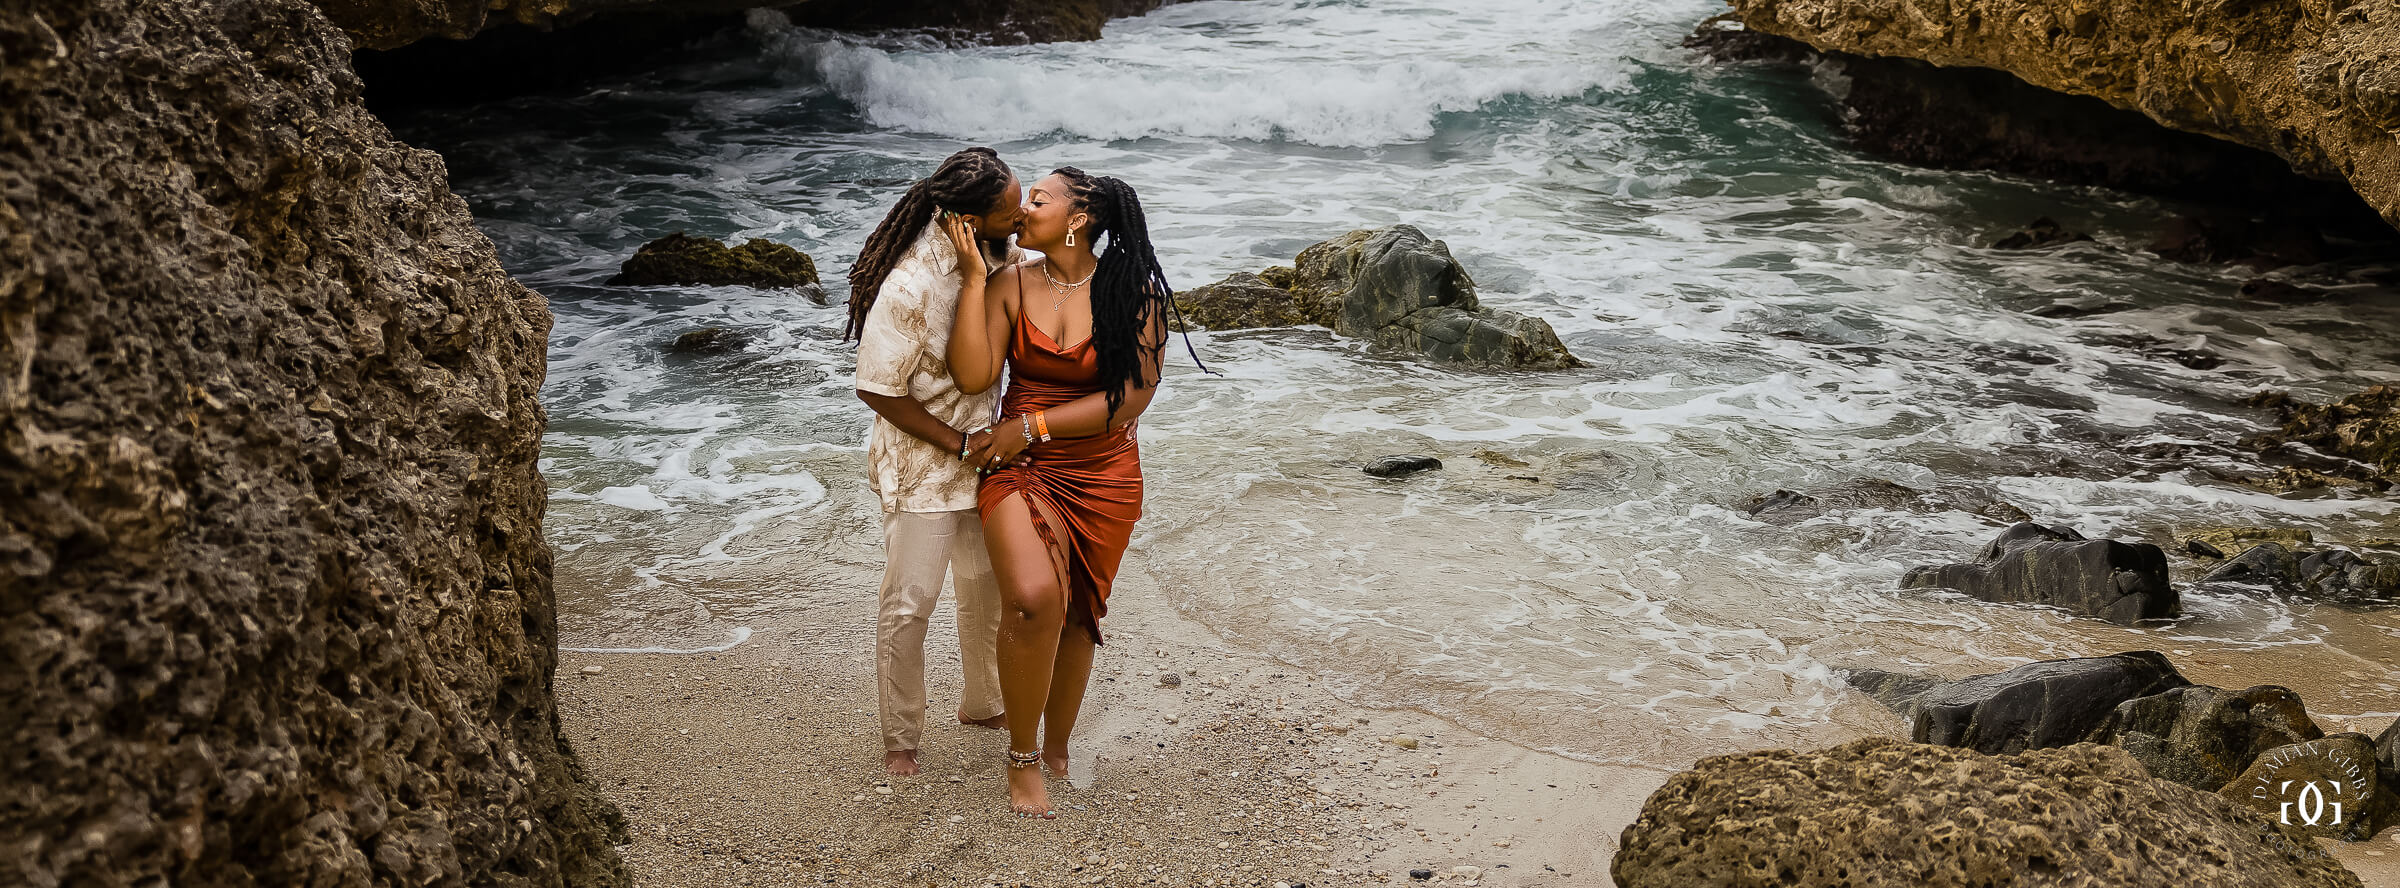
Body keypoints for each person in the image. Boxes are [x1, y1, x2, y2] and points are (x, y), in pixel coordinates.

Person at [945, 167, 1177, 817]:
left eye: (1040, 201)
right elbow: (972, 375)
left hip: (1104, 474)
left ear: (1078, 220)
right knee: (1033, 598)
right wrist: (971, 282)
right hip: (1019, 470)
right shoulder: (1009, 284)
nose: (1024, 209)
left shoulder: (1135, 292)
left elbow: (1131, 399)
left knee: (1078, 614)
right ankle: (1022, 760)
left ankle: (1058, 750)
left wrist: (1032, 425)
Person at [847, 147, 1027, 777]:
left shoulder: (1003, 257)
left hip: (987, 459)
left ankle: (983, 704)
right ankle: (901, 738)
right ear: (966, 219)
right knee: (910, 601)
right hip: (922, 464)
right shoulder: (910, 282)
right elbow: (876, 388)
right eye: (1010, 209)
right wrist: (956, 443)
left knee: (986, 592)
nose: (1023, 215)